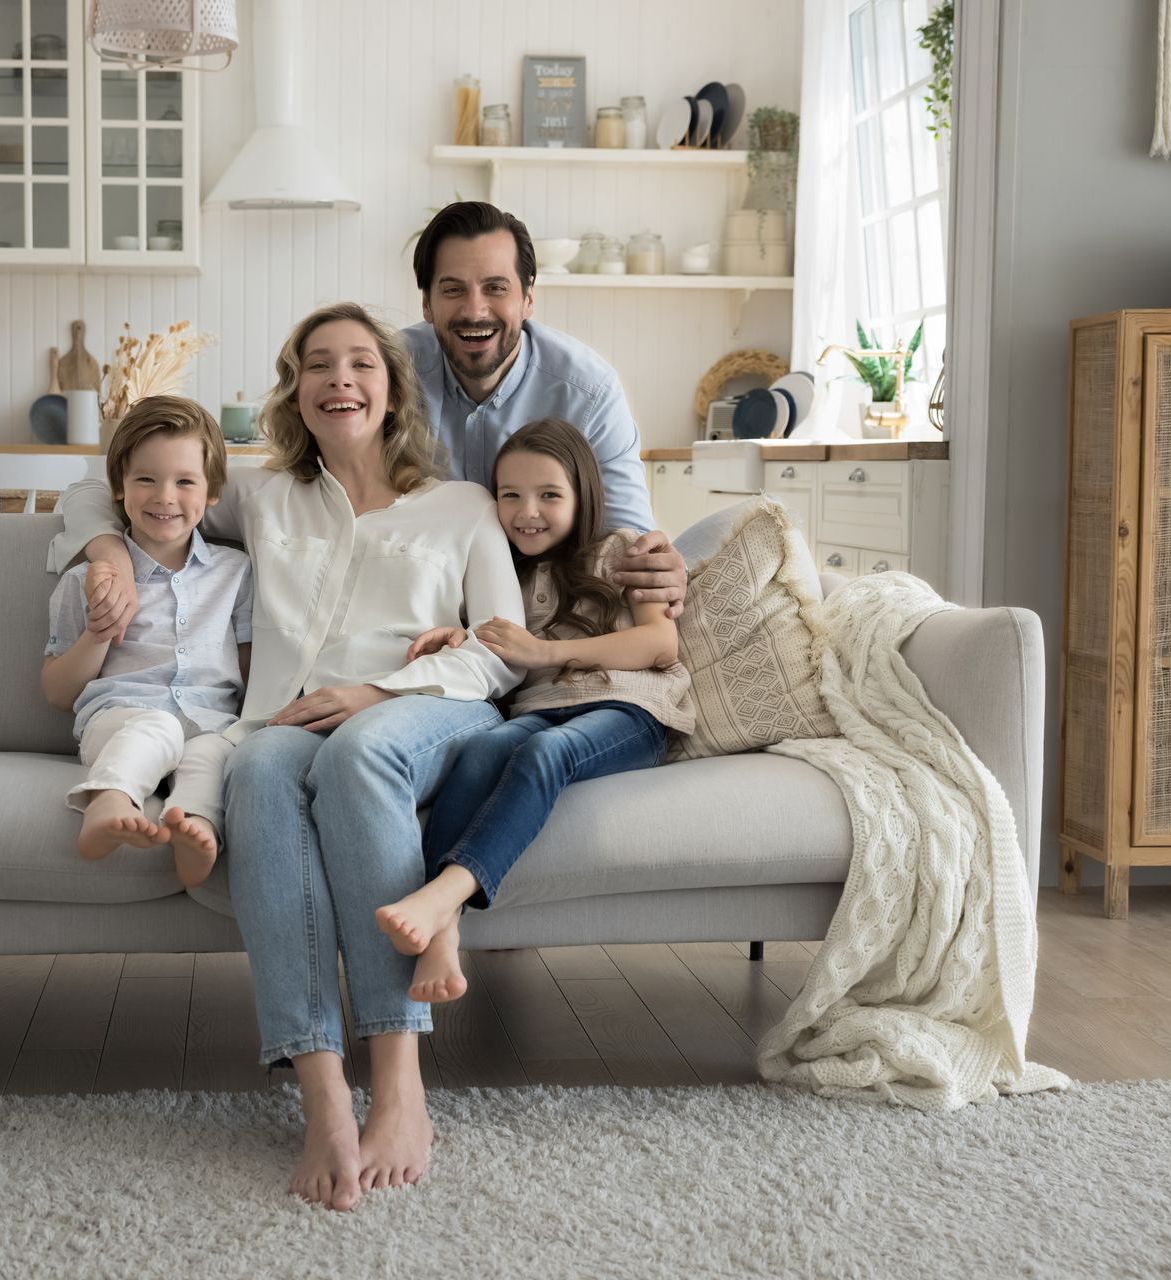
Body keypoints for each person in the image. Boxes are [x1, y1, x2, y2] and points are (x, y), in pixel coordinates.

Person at [47, 303, 523, 1212]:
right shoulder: (263, 496)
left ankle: (399, 1084)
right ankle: (322, 1101)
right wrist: (108, 548)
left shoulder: (460, 505)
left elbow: (502, 648)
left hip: (420, 712)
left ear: (391, 388)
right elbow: (103, 486)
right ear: (295, 392)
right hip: (282, 726)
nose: (339, 379)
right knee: (255, 771)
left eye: (359, 365)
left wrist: (374, 693)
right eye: (317, 366)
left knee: (357, 758)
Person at [377, 419, 697, 1004]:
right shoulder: (501, 567)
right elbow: (496, 641)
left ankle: (443, 898)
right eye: (510, 495)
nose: (528, 511)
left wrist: (545, 652)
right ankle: (442, 931)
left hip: (630, 708)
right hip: (542, 704)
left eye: (550, 495)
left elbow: (659, 646)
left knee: (548, 752)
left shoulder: (620, 552)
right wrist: (461, 633)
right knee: (483, 751)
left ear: (583, 496)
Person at [403, 199, 689, 616]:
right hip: (421, 608)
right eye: (453, 289)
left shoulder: (589, 391)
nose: (475, 310)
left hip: (546, 613)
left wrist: (658, 569)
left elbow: (626, 540)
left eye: (496, 288)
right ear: (427, 303)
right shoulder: (385, 375)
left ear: (528, 298)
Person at [39, 396, 251, 889]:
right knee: (156, 727)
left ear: (212, 490)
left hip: (209, 720)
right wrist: (97, 632)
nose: (165, 497)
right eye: (146, 479)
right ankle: (109, 798)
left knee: (214, 755)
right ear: (119, 486)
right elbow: (56, 693)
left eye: (184, 481)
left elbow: (251, 673)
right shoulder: (88, 580)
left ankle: (195, 825)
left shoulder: (236, 574)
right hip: (120, 718)